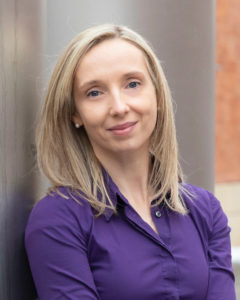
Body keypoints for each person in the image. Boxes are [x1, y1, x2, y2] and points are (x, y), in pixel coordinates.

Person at [24, 24, 236, 300]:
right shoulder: (59, 219)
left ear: (157, 95)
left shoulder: (205, 211)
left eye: (132, 84)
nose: (120, 107)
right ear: (75, 114)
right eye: (95, 92)